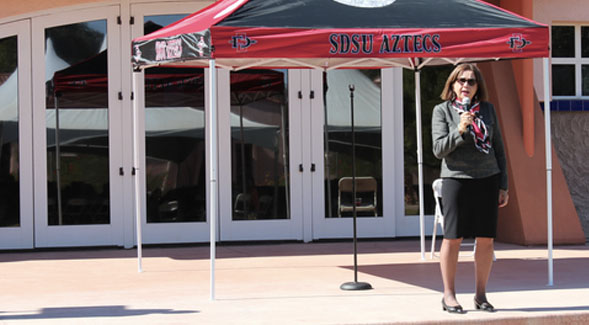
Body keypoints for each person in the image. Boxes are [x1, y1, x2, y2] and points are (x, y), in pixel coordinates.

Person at [431, 63, 509, 314]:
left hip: (487, 178)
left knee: (485, 239)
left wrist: (503, 184)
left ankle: (481, 294)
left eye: (471, 81)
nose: (466, 85)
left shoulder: (487, 109)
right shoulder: (442, 111)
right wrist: (460, 129)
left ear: (478, 87)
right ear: (452, 85)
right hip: (456, 179)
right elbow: (439, 149)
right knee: (453, 238)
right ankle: (449, 294)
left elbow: (498, 148)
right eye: (461, 80)